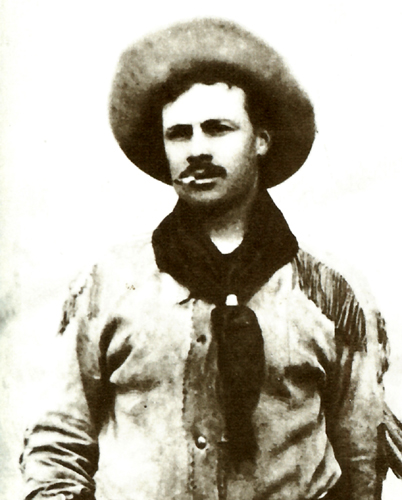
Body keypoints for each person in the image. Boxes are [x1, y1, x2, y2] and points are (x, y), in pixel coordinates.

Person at [20, 18, 399, 500]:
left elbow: (361, 457)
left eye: (218, 129)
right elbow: (57, 444)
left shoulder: (329, 294)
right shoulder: (111, 284)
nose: (197, 150)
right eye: (179, 134)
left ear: (260, 140)